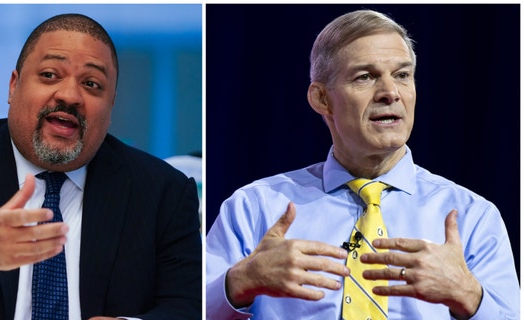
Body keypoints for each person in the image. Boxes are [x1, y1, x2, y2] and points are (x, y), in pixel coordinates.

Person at [206, 9, 519, 320]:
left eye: (402, 75)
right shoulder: (255, 208)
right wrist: (239, 283)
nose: (390, 93)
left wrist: (469, 295)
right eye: (365, 77)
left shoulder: (473, 216)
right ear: (321, 99)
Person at [0, 13, 202, 320]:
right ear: (13, 86)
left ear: (111, 106)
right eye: (50, 75)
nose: (69, 95)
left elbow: (189, 306)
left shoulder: (164, 192)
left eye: (92, 83)